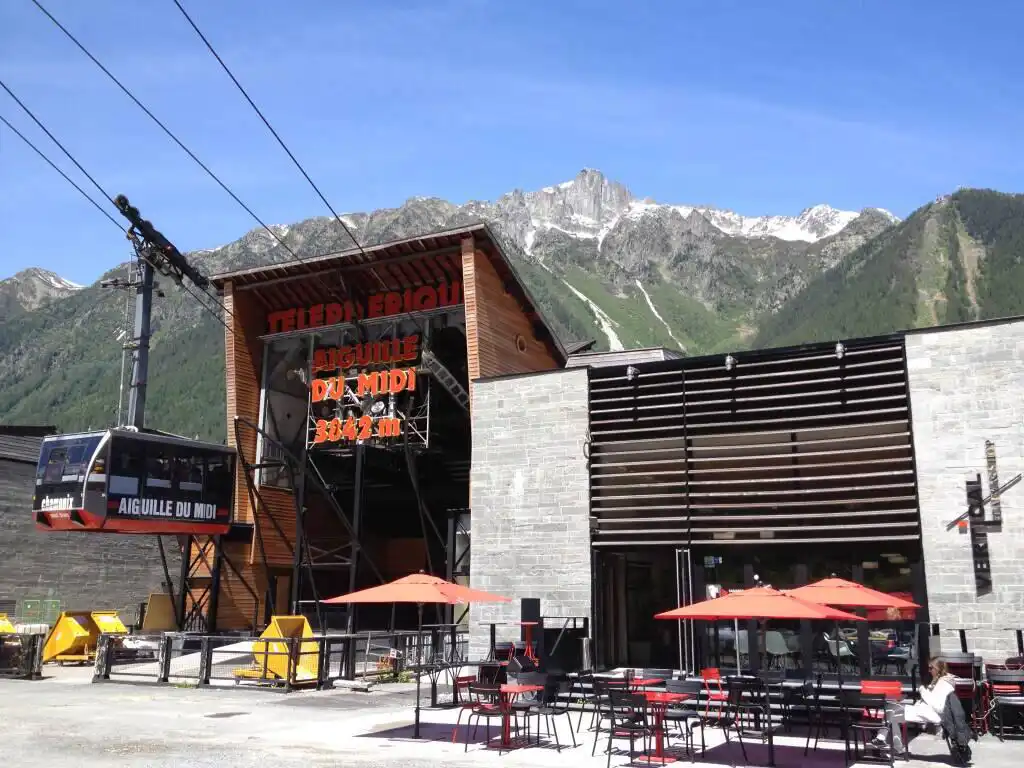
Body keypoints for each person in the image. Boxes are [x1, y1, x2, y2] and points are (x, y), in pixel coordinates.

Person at [874, 657, 956, 753]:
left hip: (929, 714)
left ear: (938, 669)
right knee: (891, 713)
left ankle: (883, 740)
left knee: (890, 709)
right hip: (923, 711)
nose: (929, 671)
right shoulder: (941, 681)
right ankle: (889, 744)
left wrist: (923, 691)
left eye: (931, 668)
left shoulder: (944, 684)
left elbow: (939, 707)